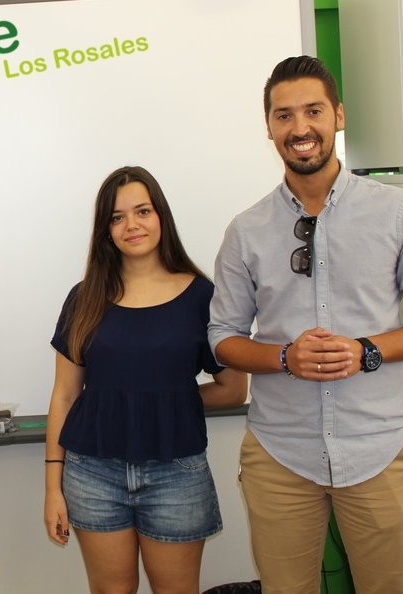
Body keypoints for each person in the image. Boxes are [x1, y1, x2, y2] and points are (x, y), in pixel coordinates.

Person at [208, 56, 403, 593]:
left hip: (378, 448)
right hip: (280, 454)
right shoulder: (246, 230)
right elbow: (222, 337)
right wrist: (284, 358)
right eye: (284, 115)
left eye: (313, 111)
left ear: (338, 116)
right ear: (269, 127)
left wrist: (366, 350)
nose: (300, 127)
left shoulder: (397, 213)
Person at [44, 166, 247, 593]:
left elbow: (233, 389)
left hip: (176, 474)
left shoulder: (202, 297)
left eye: (142, 211)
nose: (131, 225)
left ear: (161, 216)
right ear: (105, 231)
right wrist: (52, 488)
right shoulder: (84, 298)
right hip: (92, 474)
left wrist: (167, 399)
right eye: (117, 217)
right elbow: (64, 395)